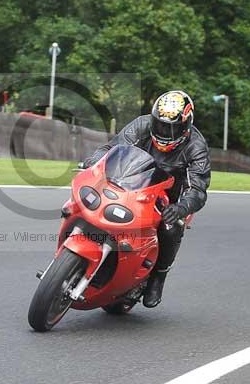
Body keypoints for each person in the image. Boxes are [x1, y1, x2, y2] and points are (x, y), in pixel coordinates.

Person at [82, 90, 211, 308]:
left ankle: (158, 277)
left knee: (171, 226)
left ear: (186, 126)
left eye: (172, 128)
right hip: (132, 182)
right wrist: (94, 161)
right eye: (160, 125)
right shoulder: (141, 125)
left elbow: (198, 189)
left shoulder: (196, 147)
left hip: (170, 198)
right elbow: (110, 149)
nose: (164, 132)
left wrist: (181, 208)